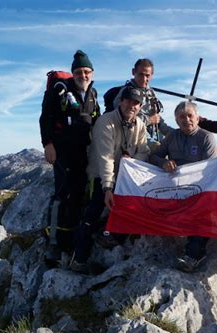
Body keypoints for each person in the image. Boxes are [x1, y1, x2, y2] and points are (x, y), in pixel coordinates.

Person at [72, 86, 150, 272]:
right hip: (101, 176)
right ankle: (79, 260)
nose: (132, 106)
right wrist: (108, 188)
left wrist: (130, 162)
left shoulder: (139, 124)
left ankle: (111, 236)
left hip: (125, 177)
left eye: (136, 103)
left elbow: (144, 152)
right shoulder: (106, 122)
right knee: (93, 212)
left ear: (140, 106)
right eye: (129, 101)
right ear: (121, 101)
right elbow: (105, 157)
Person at [39, 49, 100, 262]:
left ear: (92, 73)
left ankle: (72, 236)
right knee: (62, 193)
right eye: (79, 72)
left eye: (87, 71)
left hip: (84, 150)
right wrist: (48, 144)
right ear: (73, 73)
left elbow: (98, 121)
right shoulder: (59, 90)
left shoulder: (92, 93)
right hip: (63, 150)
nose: (83, 75)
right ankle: (53, 242)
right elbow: (45, 118)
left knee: (80, 192)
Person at [150, 101, 217, 272]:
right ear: (176, 120)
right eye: (181, 117)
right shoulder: (172, 137)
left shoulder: (206, 137)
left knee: (204, 211)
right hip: (174, 189)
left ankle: (194, 254)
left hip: (200, 189)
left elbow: (212, 169)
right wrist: (164, 162)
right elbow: (153, 157)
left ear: (197, 118)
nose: (186, 119)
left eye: (190, 115)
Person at [112, 58, 173, 149]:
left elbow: (157, 119)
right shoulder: (126, 93)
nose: (144, 79)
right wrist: (150, 120)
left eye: (147, 75)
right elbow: (125, 119)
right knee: (158, 149)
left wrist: (176, 133)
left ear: (152, 75)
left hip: (152, 136)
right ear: (133, 72)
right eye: (141, 74)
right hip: (131, 138)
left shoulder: (151, 93)